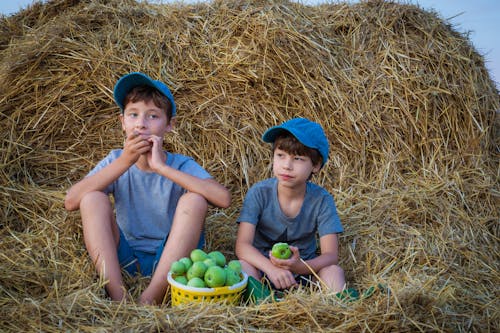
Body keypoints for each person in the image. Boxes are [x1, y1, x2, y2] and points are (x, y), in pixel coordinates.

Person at [64, 72, 231, 305]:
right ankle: (118, 298)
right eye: (133, 115)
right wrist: (124, 161)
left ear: (169, 125)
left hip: (174, 261)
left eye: (152, 116)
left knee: (195, 200)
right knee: (92, 198)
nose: (141, 123)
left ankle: (150, 299)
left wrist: (161, 168)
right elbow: (71, 201)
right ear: (123, 122)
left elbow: (223, 199)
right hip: (124, 256)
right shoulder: (115, 160)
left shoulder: (180, 164)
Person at [235, 117, 346, 295]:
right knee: (242, 266)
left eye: (298, 159)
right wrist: (272, 270)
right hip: (263, 269)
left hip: (305, 271)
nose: (287, 166)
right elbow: (242, 246)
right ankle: (262, 304)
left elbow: (331, 255)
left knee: (333, 271)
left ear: (316, 165)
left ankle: (337, 309)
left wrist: (300, 267)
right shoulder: (259, 193)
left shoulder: (322, 200)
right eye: (281, 155)